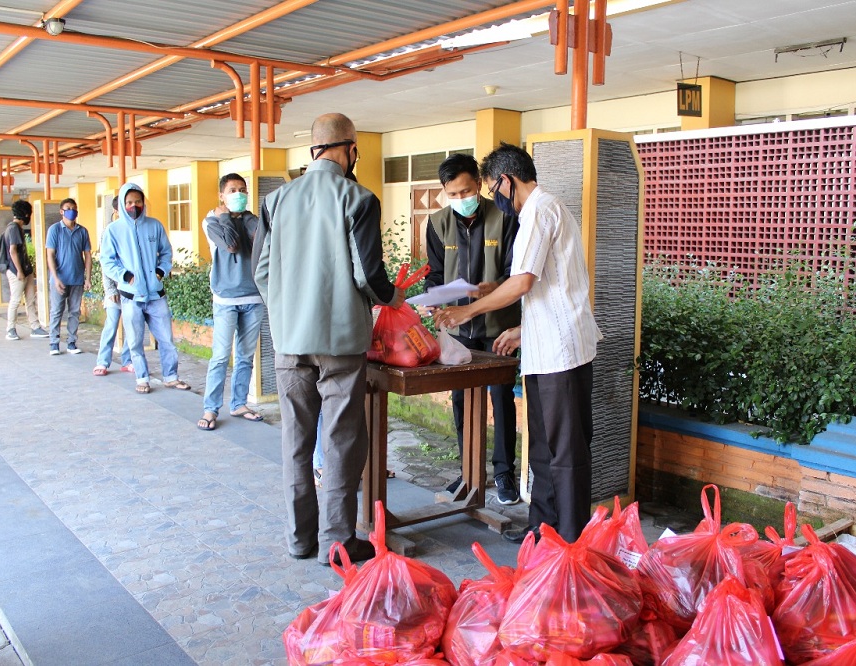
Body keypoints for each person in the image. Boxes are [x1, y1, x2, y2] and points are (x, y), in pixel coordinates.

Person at [254, 112, 404, 567]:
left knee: (296, 442)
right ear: (349, 149)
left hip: (289, 342)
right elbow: (368, 274)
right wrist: (395, 298)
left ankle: (300, 540)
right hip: (340, 343)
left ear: (314, 149)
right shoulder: (357, 198)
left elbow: (261, 272)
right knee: (340, 440)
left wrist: (286, 313)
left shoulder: (276, 200)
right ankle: (336, 545)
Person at [433, 142, 602, 545]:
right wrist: (522, 330)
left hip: (564, 353)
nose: (493, 199)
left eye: (491, 190)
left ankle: (570, 540)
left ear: (506, 181)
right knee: (543, 449)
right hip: (546, 349)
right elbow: (551, 286)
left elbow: (523, 282)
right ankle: (541, 529)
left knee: (566, 451)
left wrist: (467, 312)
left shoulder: (539, 211)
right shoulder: (542, 212)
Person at [421, 153, 522, 505]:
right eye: (453, 194)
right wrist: (433, 298)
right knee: (461, 400)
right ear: (445, 193)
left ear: (478, 185)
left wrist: (486, 290)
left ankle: (504, 474)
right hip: (456, 329)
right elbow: (435, 273)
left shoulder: (506, 217)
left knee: (501, 397)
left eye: (466, 191)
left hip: (498, 326)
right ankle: (469, 472)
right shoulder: (437, 224)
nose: (460, 199)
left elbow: (515, 275)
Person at [100, 182, 190, 395]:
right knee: (135, 340)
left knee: (167, 339)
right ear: (122, 204)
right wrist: (125, 276)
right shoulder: (113, 230)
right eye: (129, 202)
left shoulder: (155, 225)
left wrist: (161, 270)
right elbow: (107, 261)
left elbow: (166, 252)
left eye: (138, 201)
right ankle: (142, 377)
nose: (134, 206)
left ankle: (171, 376)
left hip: (156, 294)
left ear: (143, 202)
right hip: (131, 296)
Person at [197, 173, 265, 431]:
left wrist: (243, 216)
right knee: (220, 356)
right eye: (233, 190)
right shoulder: (211, 221)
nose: (239, 194)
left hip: (254, 298)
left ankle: (238, 403)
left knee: (246, 356)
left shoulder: (251, 219)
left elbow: (259, 237)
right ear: (221, 195)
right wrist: (225, 216)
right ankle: (211, 408)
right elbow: (231, 245)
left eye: (242, 189)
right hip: (226, 299)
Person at [45, 198, 91, 355]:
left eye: (74, 208)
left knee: (74, 312)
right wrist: (56, 277)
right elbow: (50, 254)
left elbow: (87, 255)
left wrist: (88, 278)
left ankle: (72, 342)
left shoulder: (82, 231)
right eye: (68, 208)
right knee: (57, 310)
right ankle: (54, 343)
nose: (72, 211)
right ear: (61, 211)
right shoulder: (54, 230)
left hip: (77, 279)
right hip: (60, 279)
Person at [93, 197, 133, 376]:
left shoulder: (134, 229)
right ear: (117, 211)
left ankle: (128, 360)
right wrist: (110, 289)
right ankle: (103, 362)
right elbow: (106, 263)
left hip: (132, 288)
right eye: (127, 206)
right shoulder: (109, 231)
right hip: (116, 288)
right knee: (111, 324)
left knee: (132, 325)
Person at [3, 199, 48, 341]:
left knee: (30, 299)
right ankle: (10, 329)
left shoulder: (15, 228)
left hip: (25, 270)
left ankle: (35, 327)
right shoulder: (14, 228)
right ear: (25, 214)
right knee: (15, 301)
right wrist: (20, 271)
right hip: (18, 272)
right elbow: (13, 251)